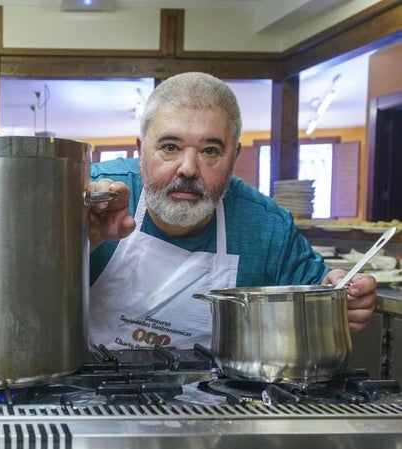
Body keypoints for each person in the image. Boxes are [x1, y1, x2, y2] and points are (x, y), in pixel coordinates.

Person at [87, 71, 377, 351]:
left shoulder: (268, 228)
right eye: (170, 147)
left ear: (234, 157)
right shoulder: (97, 197)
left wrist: (345, 297)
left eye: (210, 151)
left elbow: (321, 296)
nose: (188, 168)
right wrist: (80, 242)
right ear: (140, 150)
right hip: (87, 394)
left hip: (215, 399)